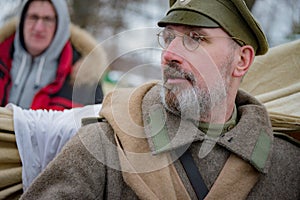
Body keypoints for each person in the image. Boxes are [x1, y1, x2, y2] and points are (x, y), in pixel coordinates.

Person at [20, 0, 300, 199]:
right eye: (168, 38)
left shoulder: (289, 165)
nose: (169, 54)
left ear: (241, 60)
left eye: (195, 38)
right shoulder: (103, 145)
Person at [0, 0, 106, 110]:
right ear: (22, 20)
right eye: (33, 17)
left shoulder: (84, 79)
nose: (38, 28)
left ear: (60, 25)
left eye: (48, 19)